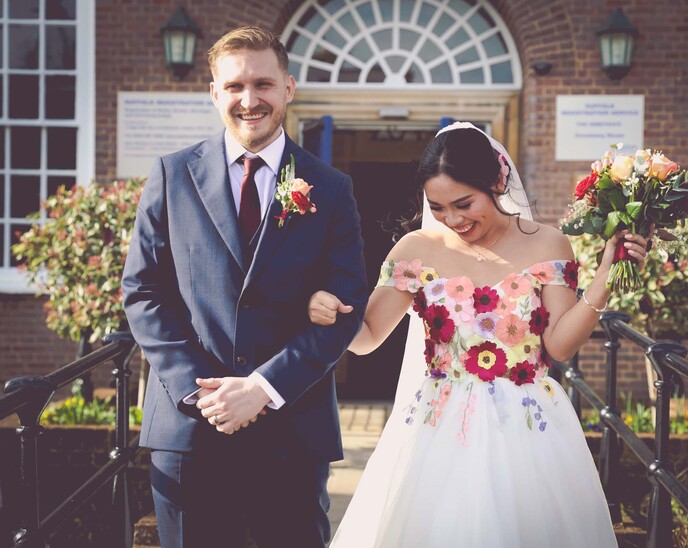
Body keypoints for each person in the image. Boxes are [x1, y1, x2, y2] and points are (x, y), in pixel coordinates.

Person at [307, 122, 650, 547]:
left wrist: (603, 279)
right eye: (438, 206)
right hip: (438, 429)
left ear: (498, 181)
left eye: (464, 203)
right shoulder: (414, 249)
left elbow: (560, 345)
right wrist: (329, 313)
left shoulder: (549, 244)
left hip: (529, 427)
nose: (453, 219)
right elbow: (367, 337)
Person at [121, 26, 368, 548]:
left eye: (263, 84)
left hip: (292, 428)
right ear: (214, 92)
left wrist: (262, 388)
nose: (249, 100)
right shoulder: (171, 175)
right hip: (191, 429)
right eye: (234, 87)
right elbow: (144, 293)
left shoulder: (331, 187)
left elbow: (346, 306)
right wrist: (199, 391)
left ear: (289, 88)